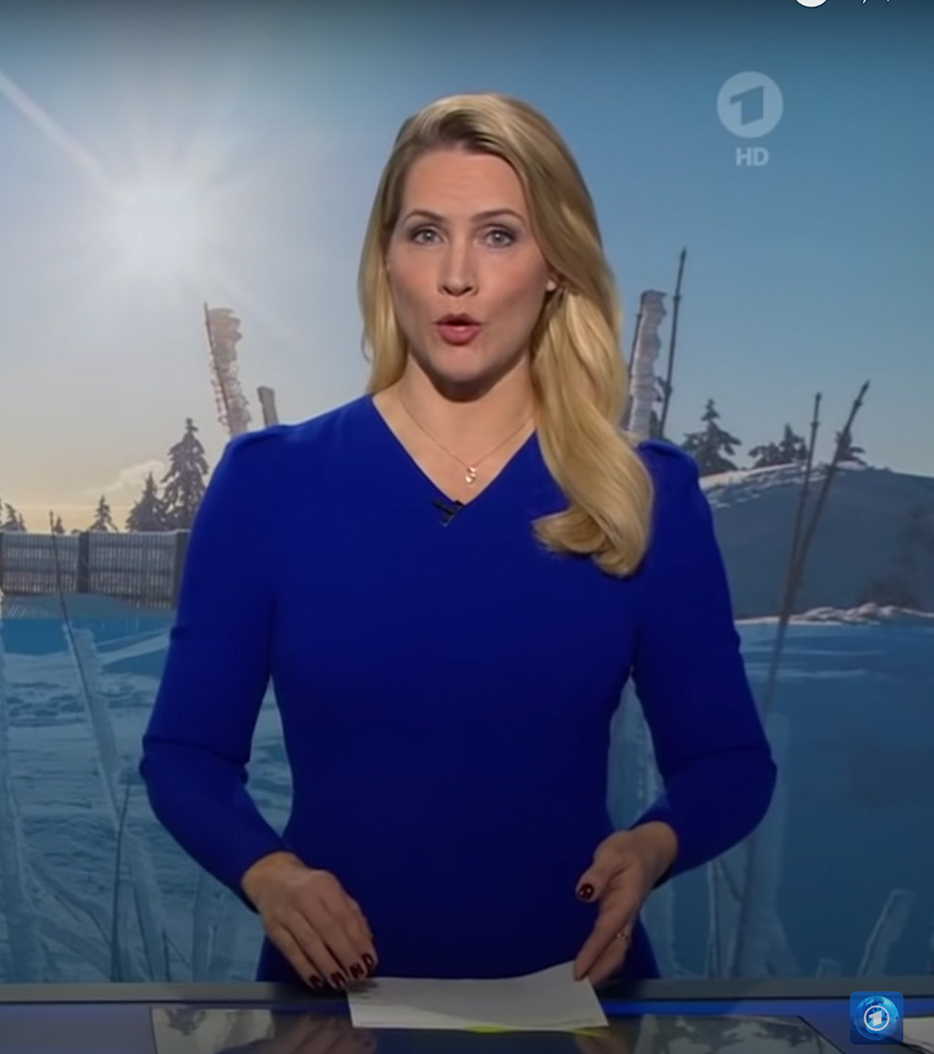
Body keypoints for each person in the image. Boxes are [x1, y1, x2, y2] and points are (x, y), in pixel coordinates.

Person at [138, 92, 777, 992]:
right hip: (332, 1016)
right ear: (386, 259)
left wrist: (651, 847)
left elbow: (727, 763)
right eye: (427, 233)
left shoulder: (644, 492)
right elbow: (186, 755)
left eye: (500, 235)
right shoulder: (270, 481)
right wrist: (270, 874)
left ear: (556, 266)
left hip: (579, 1007)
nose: (457, 276)